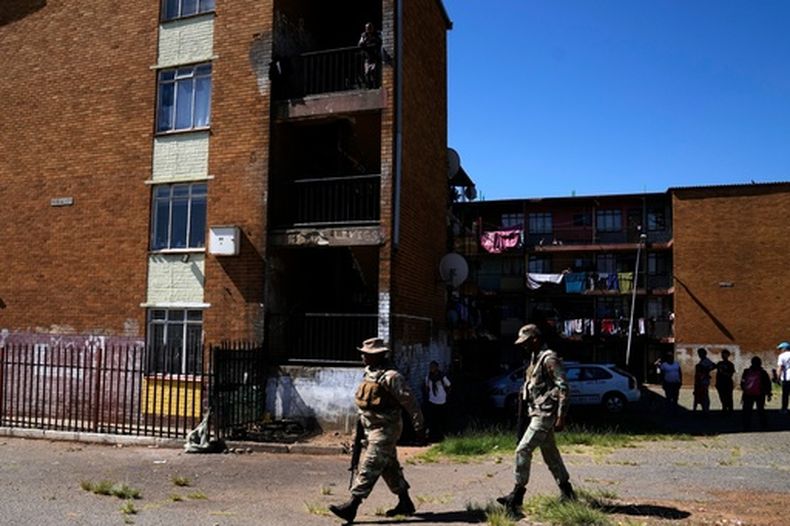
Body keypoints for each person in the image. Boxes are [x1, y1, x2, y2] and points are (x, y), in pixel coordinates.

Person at [329, 337, 424, 523]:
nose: (363, 356)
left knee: (370, 463)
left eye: (367, 354)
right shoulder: (369, 373)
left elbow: (410, 403)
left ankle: (352, 505)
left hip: (386, 428)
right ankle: (405, 502)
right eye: (363, 353)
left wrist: (419, 427)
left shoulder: (392, 377)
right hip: (369, 428)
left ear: (379, 355)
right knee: (389, 466)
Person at [496, 324, 575, 517]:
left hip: (545, 414)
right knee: (551, 455)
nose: (523, 346)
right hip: (536, 412)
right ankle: (568, 492)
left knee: (523, 450)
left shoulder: (549, 359)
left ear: (535, 339)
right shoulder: (534, 359)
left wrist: (561, 416)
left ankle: (516, 497)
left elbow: (563, 387)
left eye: (525, 342)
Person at [740, 356, 772, 431]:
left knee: (747, 410)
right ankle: (763, 425)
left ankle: (746, 425)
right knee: (760, 409)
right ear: (760, 363)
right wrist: (769, 394)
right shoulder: (763, 372)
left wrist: (744, 390)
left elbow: (742, 382)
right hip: (760, 393)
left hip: (748, 394)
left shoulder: (746, 371)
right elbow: (767, 384)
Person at [424, 360, 451, 442]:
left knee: (442, 419)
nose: (431, 368)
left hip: (442, 401)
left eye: (433, 367)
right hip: (432, 401)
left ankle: (443, 434)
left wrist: (446, 395)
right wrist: (427, 396)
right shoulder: (428, 377)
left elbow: (449, 386)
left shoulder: (442, 377)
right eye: (430, 367)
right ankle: (433, 435)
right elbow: (426, 387)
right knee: (433, 419)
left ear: (436, 368)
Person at [358, 22, 382, 88]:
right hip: (367, 58)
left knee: (374, 71)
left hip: (375, 57)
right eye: (367, 28)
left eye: (370, 28)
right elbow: (360, 44)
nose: (368, 29)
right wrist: (364, 40)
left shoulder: (376, 34)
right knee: (367, 73)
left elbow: (380, 41)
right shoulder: (364, 35)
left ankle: (376, 86)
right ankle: (369, 86)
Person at [692, 347, 716, 414]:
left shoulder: (706, 360)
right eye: (699, 353)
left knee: (704, 396)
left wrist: (706, 370)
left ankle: (706, 410)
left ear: (705, 354)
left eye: (701, 353)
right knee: (698, 395)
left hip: (704, 381)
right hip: (699, 381)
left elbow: (714, 366)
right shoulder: (702, 361)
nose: (700, 355)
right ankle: (699, 410)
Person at [776, 342, 790, 414]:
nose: (780, 350)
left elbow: (780, 368)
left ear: (784, 348)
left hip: (786, 378)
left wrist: (777, 378)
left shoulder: (781, 356)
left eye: (781, 349)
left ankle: (784, 409)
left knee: (785, 394)